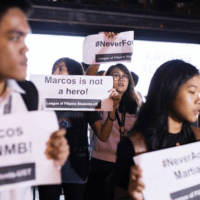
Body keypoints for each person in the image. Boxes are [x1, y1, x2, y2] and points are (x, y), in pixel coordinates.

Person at [0, 1, 69, 200]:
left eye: (26, 37)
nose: (25, 48)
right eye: (15, 37)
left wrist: (55, 154)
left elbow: (42, 164)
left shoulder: (30, 95)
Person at [112, 60, 200, 200]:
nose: (198, 100)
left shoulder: (197, 139)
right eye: (192, 92)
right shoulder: (135, 145)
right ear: (168, 90)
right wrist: (133, 196)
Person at [38, 57, 121, 200]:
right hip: (48, 169)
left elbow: (103, 135)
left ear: (75, 77)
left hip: (77, 171)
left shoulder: (84, 101)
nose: (55, 73)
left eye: (61, 69)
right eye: (54, 69)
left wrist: (112, 111)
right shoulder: (42, 100)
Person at [85, 63, 142, 200]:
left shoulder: (135, 104)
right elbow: (103, 136)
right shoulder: (100, 102)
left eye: (125, 76)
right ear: (107, 80)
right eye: (116, 75)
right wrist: (100, 53)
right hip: (101, 165)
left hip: (126, 164)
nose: (121, 79)